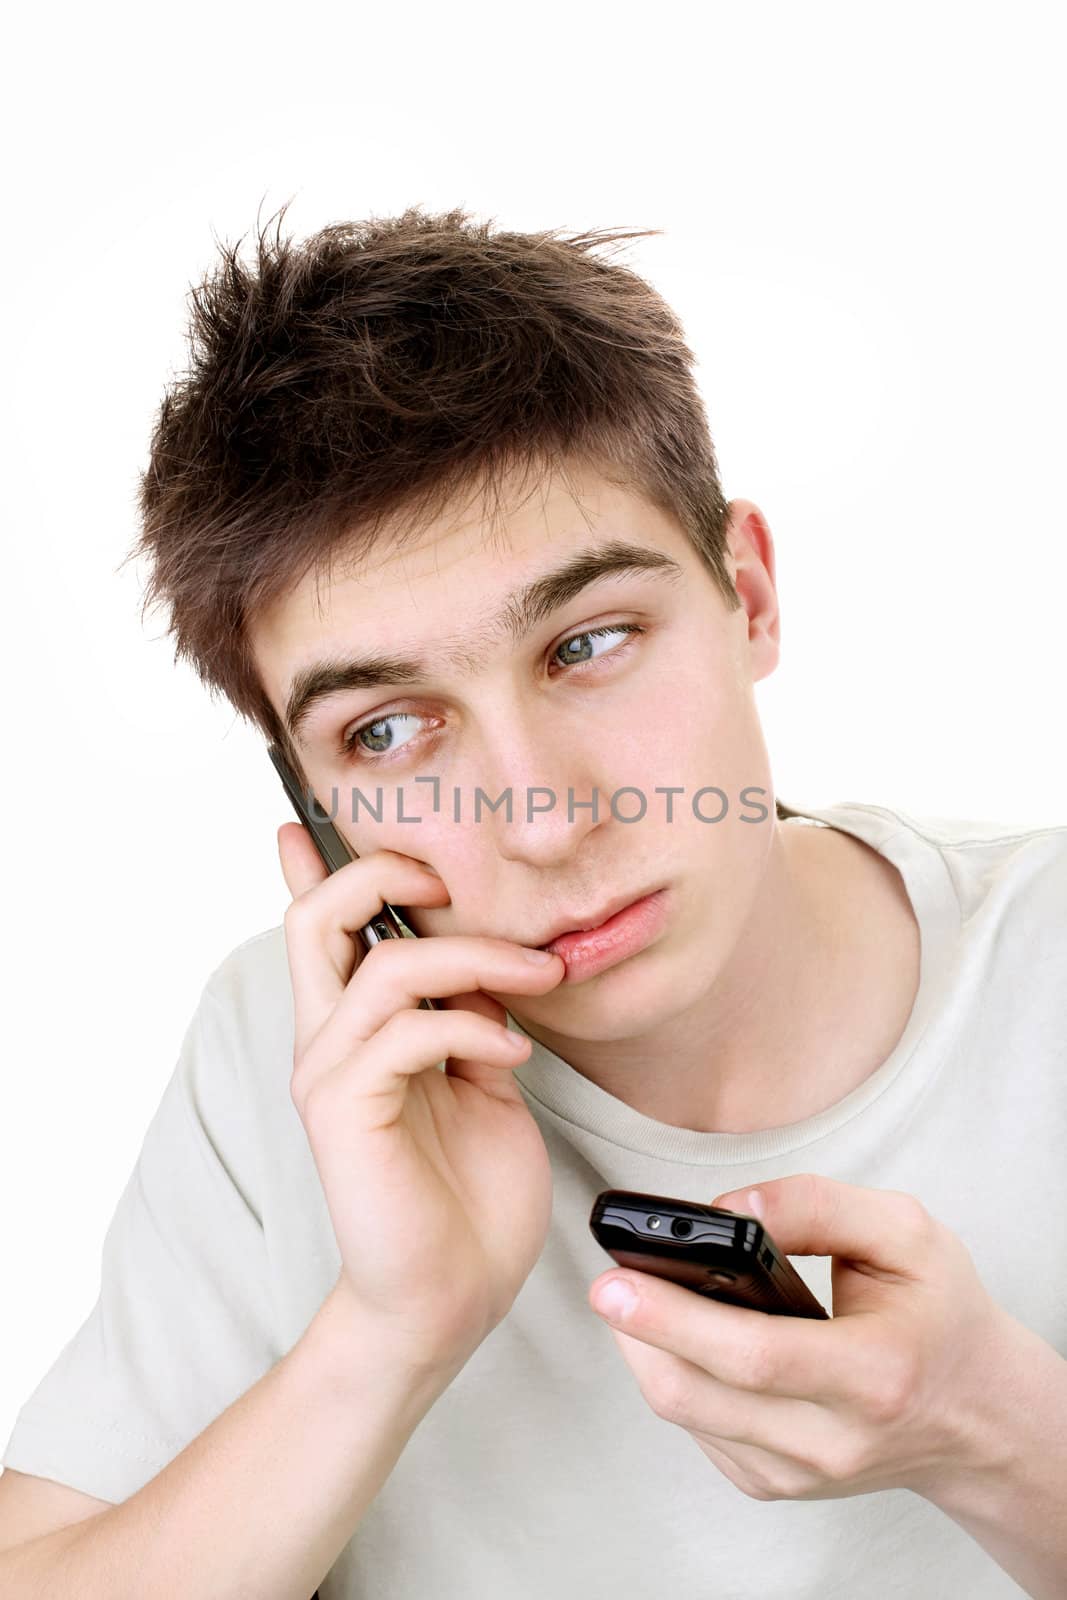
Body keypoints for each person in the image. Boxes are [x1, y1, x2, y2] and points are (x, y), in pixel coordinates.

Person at [1, 203, 1065, 1600]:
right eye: (389, 731)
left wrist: (1001, 1437)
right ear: (314, 803)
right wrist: (388, 1332)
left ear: (746, 593)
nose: (550, 819)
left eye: (591, 644)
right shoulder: (309, 1055)